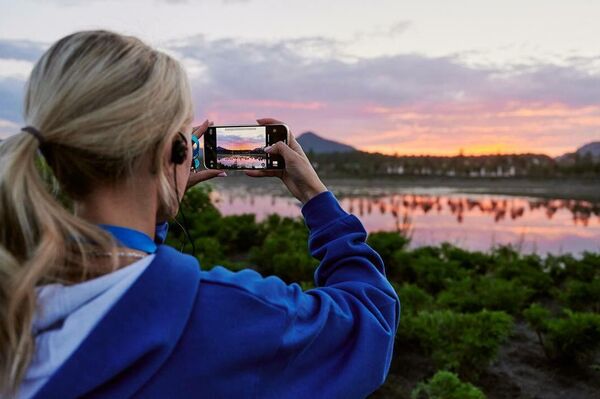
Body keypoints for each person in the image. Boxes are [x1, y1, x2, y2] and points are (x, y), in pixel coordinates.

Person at [0, 30, 400, 399]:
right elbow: (371, 322)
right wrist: (315, 195)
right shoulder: (224, 315)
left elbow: (121, 263)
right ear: (171, 150)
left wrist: (153, 204)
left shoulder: (17, 292)